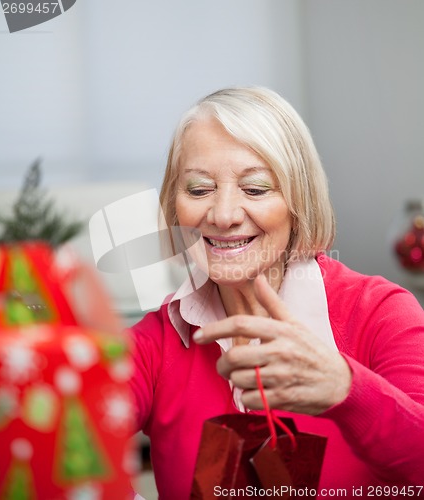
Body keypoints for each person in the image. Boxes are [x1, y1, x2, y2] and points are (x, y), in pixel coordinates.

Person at [131, 87, 424, 499]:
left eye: (255, 189)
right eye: (199, 190)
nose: (224, 215)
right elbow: (61, 436)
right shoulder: (155, 340)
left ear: (298, 201)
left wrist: (347, 390)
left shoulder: (382, 313)